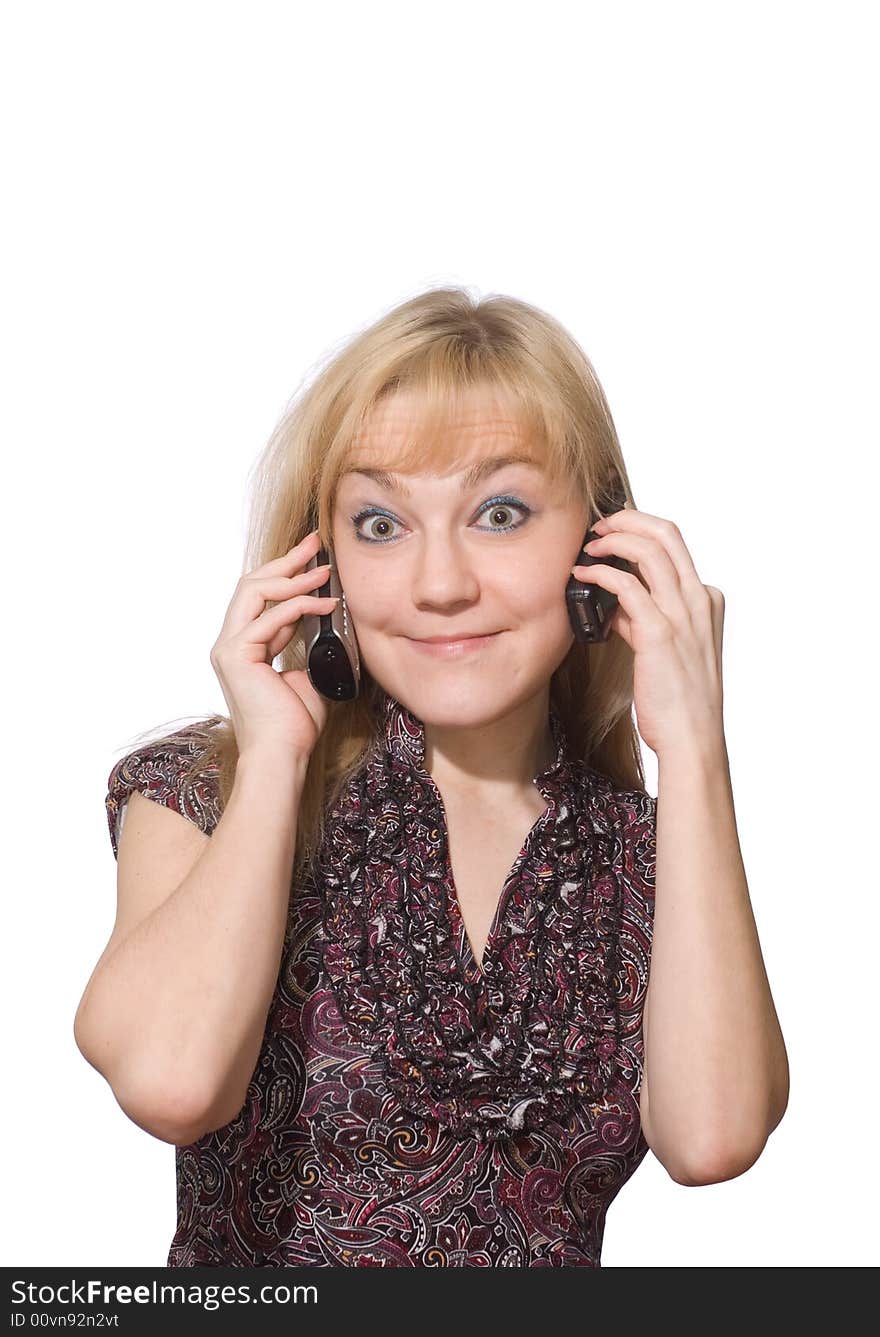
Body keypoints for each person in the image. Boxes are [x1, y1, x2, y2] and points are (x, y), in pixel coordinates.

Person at [74, 286, 789, 1267]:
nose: (440, 583)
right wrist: (277, 756)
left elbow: (713, 1140)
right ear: (318, 562)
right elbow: (171, 1080)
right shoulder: (205, 788)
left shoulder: (642, 850)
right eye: (380, 523)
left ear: (600, 544)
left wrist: (696, 747)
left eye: (499, 512)